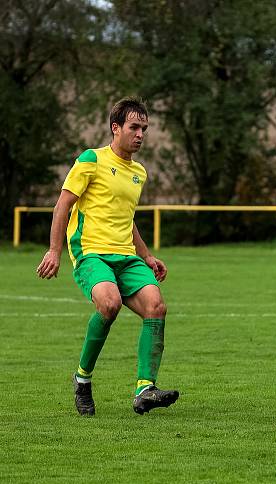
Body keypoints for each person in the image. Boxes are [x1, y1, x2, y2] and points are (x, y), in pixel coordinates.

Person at [36, 97, 179, 416]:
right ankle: (82, 379)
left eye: (145, 128)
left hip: (126, 256)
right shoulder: (91, 160)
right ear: (116, 128)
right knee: (110, 303)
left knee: (156, 306)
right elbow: (63, 205)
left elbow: (127, 219)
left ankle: (145, 389)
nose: (141, 134)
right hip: (91, 253)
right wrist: (54, 250)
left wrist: (147, 256)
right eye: (134, 127)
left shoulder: (139, 172)